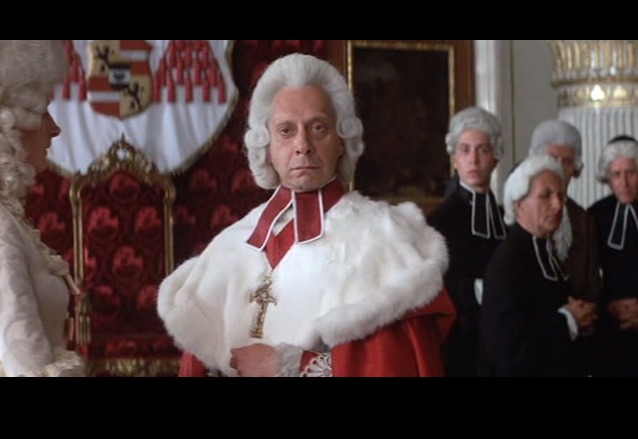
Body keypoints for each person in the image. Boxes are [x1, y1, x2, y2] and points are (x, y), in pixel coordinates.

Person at [157, 53, 456, 377]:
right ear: (267, 145)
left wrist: (294, 366)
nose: (303, 145)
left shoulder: (386, 243)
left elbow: (398, 366)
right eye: (286, 130)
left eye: (318, 127)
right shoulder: (228, 246)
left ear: (341, 141)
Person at [0, 40, 84, 377]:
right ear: (5, 127)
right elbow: (25, 367)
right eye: (43, 113)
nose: (55, 129)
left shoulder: (2, 215)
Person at [479, 155, 598, 377]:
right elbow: (508, 349)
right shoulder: (508, 262)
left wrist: (583, 316)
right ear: (519, 204)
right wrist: (568, 320)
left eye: (560, 196)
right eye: (546, 196)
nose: (558, 205)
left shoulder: (547, 252)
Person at [428, 106, 506, 377]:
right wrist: (476, 289)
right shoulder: (440, 220)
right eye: (465, 150)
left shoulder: (505, 217)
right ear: (455, 159)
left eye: (482, 150)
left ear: (495, 157)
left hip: (501, 338)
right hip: (460, 341)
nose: (473, 160)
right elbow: (433, 287)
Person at [528, 120, 601, 304]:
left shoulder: (583, 219)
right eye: (553, 159)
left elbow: (592, 285)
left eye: (567, 161)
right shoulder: (520, 212)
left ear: (575, 168)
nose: (559, 168)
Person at [589, 135, 638, 377]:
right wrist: (608, 308)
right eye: (617, 174)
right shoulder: (595, 215)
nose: (624, 182)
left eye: (631, 173)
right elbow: (586, 275)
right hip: (609, 326)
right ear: (608, 178)